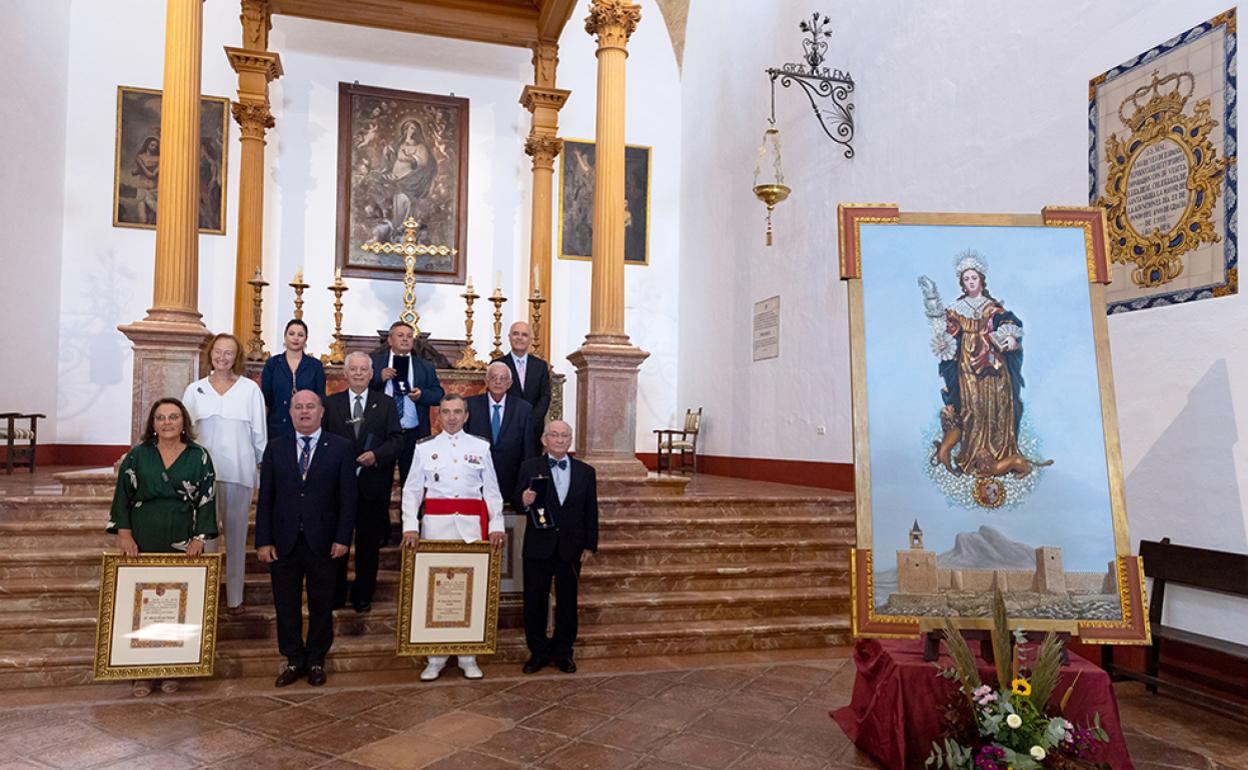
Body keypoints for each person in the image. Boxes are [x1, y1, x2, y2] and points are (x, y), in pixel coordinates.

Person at [107, 398, 218, 697]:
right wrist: (124, 533)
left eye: (173, 417)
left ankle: (172, 665)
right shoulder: (138, 455)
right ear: (152, 424)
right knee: (142, 606)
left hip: (183, 539)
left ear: (184, 422)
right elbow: (122, 496)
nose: (167, 422)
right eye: (161, 417)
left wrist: (200, 538)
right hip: (142, 538)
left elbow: (207, 498)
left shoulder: (199, 456)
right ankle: (141, 671)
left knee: (175, 605)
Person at [255, 390, 356, 688]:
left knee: (321, 605)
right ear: (290, 413)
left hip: (324, 541)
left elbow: (348, 499)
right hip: (283, 541)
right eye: (298, 407)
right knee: (285, 605)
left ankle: (315, 660)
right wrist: (264, 540)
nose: (304, 412)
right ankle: (293, 659)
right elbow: (266, 499)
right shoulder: (275, 447)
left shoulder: (341, 447)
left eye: (310, 406)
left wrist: (343, 538)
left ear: (321, 412)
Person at [401, 394, 504, 681]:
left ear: (466, 416)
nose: (452, 417)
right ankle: (435, 657)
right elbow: (412, 490)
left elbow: (491, 490)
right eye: (446, 412)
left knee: (470, 590)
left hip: (471, 529)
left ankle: (468, 655)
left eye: (457, 412)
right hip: (436, 529)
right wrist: (410, 526)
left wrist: (496, 524)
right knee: (436, 592)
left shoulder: (480, 447)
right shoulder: (425, 448)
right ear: (438, 416)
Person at [928, 251, 1047, 479]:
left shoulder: (993, 308)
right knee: (973, 407)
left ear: (981, 279)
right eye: (966, 279)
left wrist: (1010, 338)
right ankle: (974, 454)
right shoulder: (956, 309)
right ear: (962, 283)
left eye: (974, 277)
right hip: (967, 364)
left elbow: (1009, 325)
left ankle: (999, 453)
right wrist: (944, 341)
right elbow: (948, 332)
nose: (971, 282)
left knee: (998, 403)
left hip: (993, 362)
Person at [182, 333, 266, 614]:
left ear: (236, 357)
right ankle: (206, 597)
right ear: (210, 354)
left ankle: (234, 598)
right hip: (202, 477)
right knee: (205, 539)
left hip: (239, 473)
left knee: (236, 539)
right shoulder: (195, 390)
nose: (222, 357)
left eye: (229, 352)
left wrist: (261, 470)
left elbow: (259, 434)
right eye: (218, 351)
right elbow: (185, 433)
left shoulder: (250, 390)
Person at [513, 421, 598, 675]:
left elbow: (591, 510)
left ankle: (563, 653)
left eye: (565, 436)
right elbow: (517, 501)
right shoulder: (529, 467)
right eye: (554, 435)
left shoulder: (586, 471)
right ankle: (538, 653)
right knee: (534, 601)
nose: (560, 440)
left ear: (570, 440)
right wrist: (523, 499)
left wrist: (590, 545)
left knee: (568, 602)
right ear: (544, 440)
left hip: (571, 547)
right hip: (538, 546)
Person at [322, 351, 403, 613]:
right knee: (336, 543)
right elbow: (322, 441)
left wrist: (376, 456)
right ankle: (335, 594)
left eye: (363, 369)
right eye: (353, 369)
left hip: (373, 486)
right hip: (337, 488)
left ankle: (363, 595)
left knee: (369, 545)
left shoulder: (386, 403)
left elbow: (397, 440)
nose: (358, 374)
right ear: (345, 374)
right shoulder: (330, 404)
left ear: (371, 374)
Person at [371, 320, 444, 486]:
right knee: (378, 484)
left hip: (413, 434)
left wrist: (421, 395)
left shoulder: (425, 366)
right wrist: (379, 378)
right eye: (400, 335)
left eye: (409, 336)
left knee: (412, 484)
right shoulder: (375, 362)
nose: (405, 339)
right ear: (390, 340)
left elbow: (439, 394)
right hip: (382, 433)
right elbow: (362, 390)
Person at [465, 362, 535, 499]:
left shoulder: (523, 408)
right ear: (486, 381)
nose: (498, 382)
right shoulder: (470, 405)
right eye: (494, 377)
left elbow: (528, 449)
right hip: (476, 479)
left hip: (511, 479)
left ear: (509, 383)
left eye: (503, 378)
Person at [261, 319, 326, 441]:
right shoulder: (272, 364)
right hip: (277, 427)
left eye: (300, 335)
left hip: (307, 426)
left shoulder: (315, 366)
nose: (296, 338)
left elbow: (320, 398)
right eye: (291, 334)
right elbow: (265, 399)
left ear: (306, 339)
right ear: (285, 337)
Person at [492, 321, 551, 449]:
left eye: (524, 335)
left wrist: (531, 422)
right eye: (515, 334)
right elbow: (494, 395)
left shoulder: (540, 366)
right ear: (509, 337)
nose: (519, 338)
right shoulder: (497, 364)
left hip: (534, 430)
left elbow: (545, 396)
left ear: (530, 339)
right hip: (506, 427)